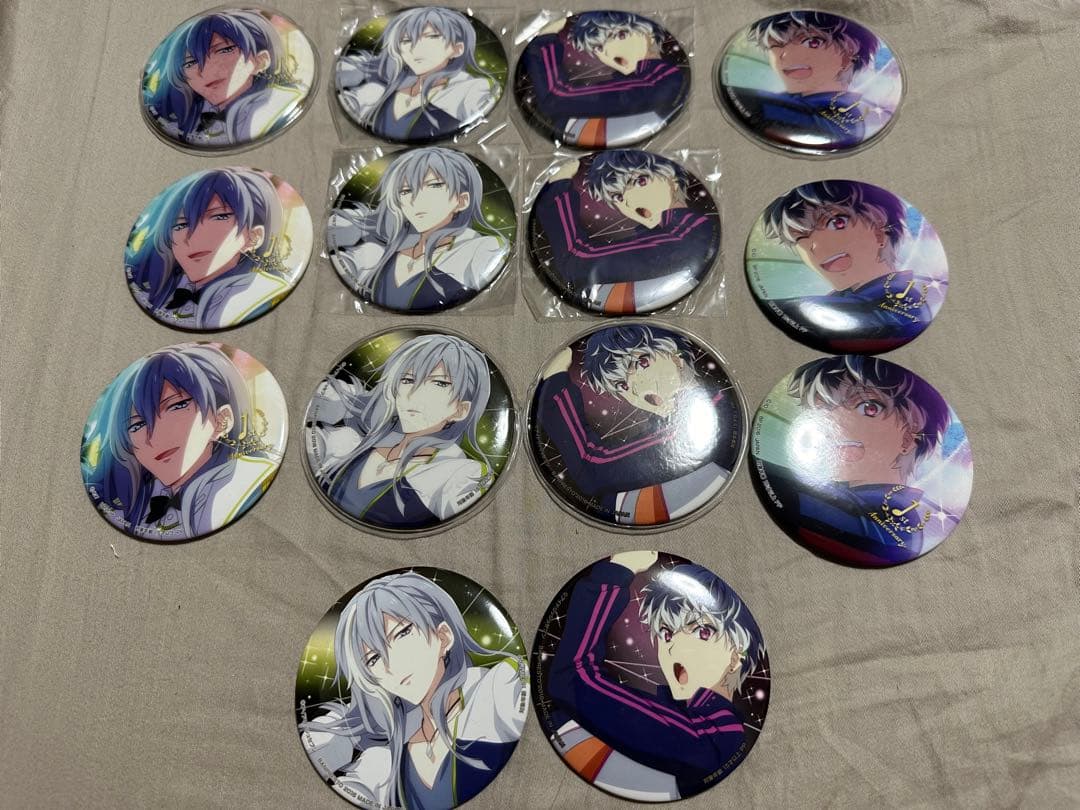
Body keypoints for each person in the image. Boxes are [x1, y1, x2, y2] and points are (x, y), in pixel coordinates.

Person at [546, 551, 765, 800]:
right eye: (666, 634)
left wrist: (616, 573)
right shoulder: (688, 720)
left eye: (702, 632)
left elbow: (571, 677)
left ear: (736, 656)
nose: (673, 648)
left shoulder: (713, 739)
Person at [299, 572, 528, 809]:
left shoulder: (495, 691)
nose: (391, 665)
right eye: (374, 659)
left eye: (402, 633)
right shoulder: (388, 759)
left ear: (443, 636)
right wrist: (342, 734)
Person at [759, 355, 950, 565]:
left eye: (868, 408)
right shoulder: (840, 493)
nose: (834, 423)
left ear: (908, 437)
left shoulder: (896, 527)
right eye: (822, 410)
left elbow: (801, 498)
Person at [535, 325, 733, 525]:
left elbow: (590, 467)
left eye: (642, 363)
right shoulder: (708, 410)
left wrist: (555, 383)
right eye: (622, 386)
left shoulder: (693, 427)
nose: (636, 389)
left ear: (676, 357)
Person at [82, 344, 277, 540]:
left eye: (178, 405)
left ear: (222, 420)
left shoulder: (248, 478)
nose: (155, 437)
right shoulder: (133, 497)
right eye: (137, 425)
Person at [307, 334, 495, 530]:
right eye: (407, 379)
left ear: (461, 410)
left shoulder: (459, 474)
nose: (414, 394)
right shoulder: (353, 442)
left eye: (439, 383)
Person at [531, 151, 716, 313]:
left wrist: (558, 187)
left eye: (640, 181)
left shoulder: (689, 235)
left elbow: (575, 261)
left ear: (672, 180)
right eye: (617, 197)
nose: (629, 201)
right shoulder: (661, 236)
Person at [761, 180, 934, 351]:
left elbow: (873, 319)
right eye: (799, 238)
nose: (814, 247)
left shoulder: (905, 301)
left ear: (879, 231)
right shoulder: (842, 298)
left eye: (836, 223)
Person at [328, 147, 507, 313]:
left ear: (462, 201)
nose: (415, 200)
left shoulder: (481, 250)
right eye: (405, 191)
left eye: (434, 185)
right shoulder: (383, 248)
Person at [127, 168, 291, 329]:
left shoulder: (263, 293)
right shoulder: (159, 287)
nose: (193, 237)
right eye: (181, 225)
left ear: (254, 236)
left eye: (219, 217)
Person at [519, 11, 688, 147]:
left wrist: (544, 42)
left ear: (648, 34)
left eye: (621, 35)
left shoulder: (662, 79)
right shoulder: (634, 84)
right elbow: (565, 122)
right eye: (599, 47)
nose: (610, 51)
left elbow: (555, 98)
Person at [144, 9, 303, 147]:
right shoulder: (190, 113)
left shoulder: (275, 105)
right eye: (190, 63)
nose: (205, 70)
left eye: (224, 51)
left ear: (261, 61)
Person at [336, 7, 498, 141]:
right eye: (406, 41)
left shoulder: (472, 89)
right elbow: (352, 81)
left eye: (431, 37)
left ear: (457, 49)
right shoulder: (385, 85)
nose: (415, 48)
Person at [725, 11, 880, 148]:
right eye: (775, 46)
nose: (784, 55)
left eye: (812, 42)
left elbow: (770, 110)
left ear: (849, 53)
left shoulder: (845, 121)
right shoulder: (788, 100)